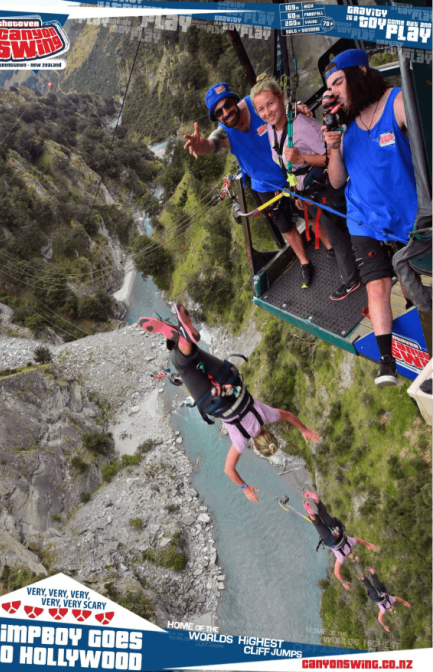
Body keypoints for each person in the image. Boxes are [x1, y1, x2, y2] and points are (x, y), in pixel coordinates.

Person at [139, 303, 319, 502]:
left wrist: (303, 428)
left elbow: (288, 416)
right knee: (182, 365)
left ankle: (181, 334)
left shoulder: (265, 414)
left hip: (229, 378)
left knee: (194, 353)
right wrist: (244, 486)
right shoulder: (241, 440)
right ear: (257, 447)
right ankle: (180, 335)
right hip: (211, 398)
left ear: (270, 433)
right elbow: (228, 469)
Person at [322, 49, 418, 386]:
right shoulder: (344, 128)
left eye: (337, 82)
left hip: (407, 217)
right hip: (363, 218)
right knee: (376, 288)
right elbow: (335, 181)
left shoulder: (396, 101)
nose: (332, 92)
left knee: (413, 283)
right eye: (328, 88)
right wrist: (332, 148)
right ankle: (387, 362)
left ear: (360, 71)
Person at [184, 83, 326, 288]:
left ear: (235, 101)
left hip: (291, 172)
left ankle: (331, 247)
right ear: (217, 117)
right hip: (265, 184)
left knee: (311, 212)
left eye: (227, 105)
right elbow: (212, 143)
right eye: (219, 112)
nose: (226, 113)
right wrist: (200, 146)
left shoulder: (256, 105)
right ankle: (305, 263)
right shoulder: (225, 132)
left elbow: (279, 107)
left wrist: (298, 107)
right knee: (285, 226)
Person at [250, 73, 360, 301]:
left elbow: (333, 156)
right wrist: (298, 192)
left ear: (280, 98)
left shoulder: (301, 126)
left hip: (326, 185)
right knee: (330, 226)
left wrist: (302, 157)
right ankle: (357, 258)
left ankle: (352, 279)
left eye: (270, 103)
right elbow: (286, 164)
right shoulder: (272, 129)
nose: (267, 112)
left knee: (337, 232)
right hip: (307, 189)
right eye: (261, 109)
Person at [303, 489, 377, 588]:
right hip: (329, 538)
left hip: (337, 528)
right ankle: (311, 513)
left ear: (353, 551)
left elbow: (359, 540)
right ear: (348, 557)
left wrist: (369, 544)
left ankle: (316, 500)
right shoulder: (341, 557)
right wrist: (343, 582)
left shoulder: (351, 542)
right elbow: (336, 572)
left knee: (324, 514)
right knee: (318, 524)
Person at [358, 567, 411, 633]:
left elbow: (398, 598)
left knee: (376, 584)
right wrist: (384, 626)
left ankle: (372, 573)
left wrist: (404, 602)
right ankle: (364, 577)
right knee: (370, 587)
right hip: (376, 596)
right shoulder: (384, 608)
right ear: (389, 610)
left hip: (379, 594)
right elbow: (379, 619)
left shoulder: (390, 601)